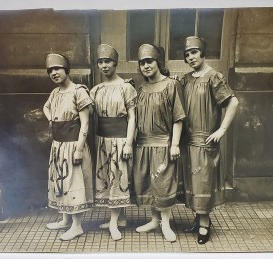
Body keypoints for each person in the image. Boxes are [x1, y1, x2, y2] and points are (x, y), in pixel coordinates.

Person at [180, 36, 239, 244]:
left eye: (194, 52)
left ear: (203, 53)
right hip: (188, 141)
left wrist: (222, 129)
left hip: (206, 142)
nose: (191, 57)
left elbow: (233, 102)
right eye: (187, 54)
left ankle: (204, 225)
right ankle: (198, 220)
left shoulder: (214, 77)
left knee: (203, 183)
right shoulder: (186, 79)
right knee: (194, 184)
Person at [134, 44, 185, 243]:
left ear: (158, 63)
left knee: (163, 185)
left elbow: (178, 117)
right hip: (143, 144)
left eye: (149, 61)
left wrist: (175, 144)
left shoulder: (171, 85)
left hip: (164, 143)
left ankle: (165, 223)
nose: (146, 66)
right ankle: (154, 220)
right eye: (142, 63)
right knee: (149, 183)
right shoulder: (140, 88)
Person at [43, 53, 94, 241]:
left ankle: (77, 226)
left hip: (73, 145)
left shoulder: (79, 91)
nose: (54, 73)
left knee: (73, 182)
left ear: (67, 70)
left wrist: (79, 149)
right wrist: (51, 120)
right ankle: (65, 219)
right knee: (60, 181)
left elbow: (85, 124)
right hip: (58, 145)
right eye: (50, 70)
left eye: (57, 68)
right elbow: (46, 107)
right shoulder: (55, 93)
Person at [90, 44, 137, 241]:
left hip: (120, 139)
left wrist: (128, 143)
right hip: (102, 140)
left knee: (119, 177)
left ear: (115, 63)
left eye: (107, 61)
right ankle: (121, 218)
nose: (104, 65)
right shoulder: (95, 90)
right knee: (107, 178)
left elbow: (133, 117)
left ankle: (112, 223)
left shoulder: (126, 87)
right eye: (100, 62)